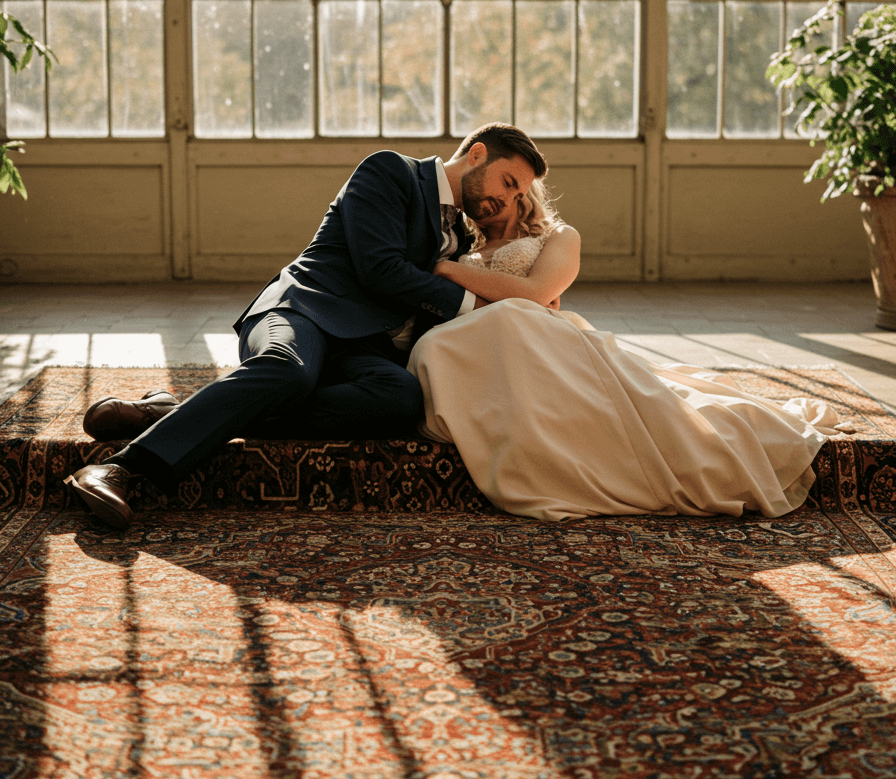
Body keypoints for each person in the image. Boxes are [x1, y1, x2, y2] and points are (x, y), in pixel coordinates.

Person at [64, 123, 546, 530]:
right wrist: (476, 303)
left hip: (365, 346)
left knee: (401, 398)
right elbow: (382, 269)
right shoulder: (391, 171)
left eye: (518, 194)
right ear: (477, 154)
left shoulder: (459, 233)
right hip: (303, 311)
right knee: (288, 371)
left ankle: (175, 413)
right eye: (507, 182)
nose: (507, 200)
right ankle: (120, 468)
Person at [408, 182, 850, 522]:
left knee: (660, 408)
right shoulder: (462, 245)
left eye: (514, 185)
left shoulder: (558, 236)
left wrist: (449, 272)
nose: (502, 196)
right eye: (498, 186)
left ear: (528, 192)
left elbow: (536, 294)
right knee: (443, 344)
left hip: (540, 340)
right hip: (485, 349)